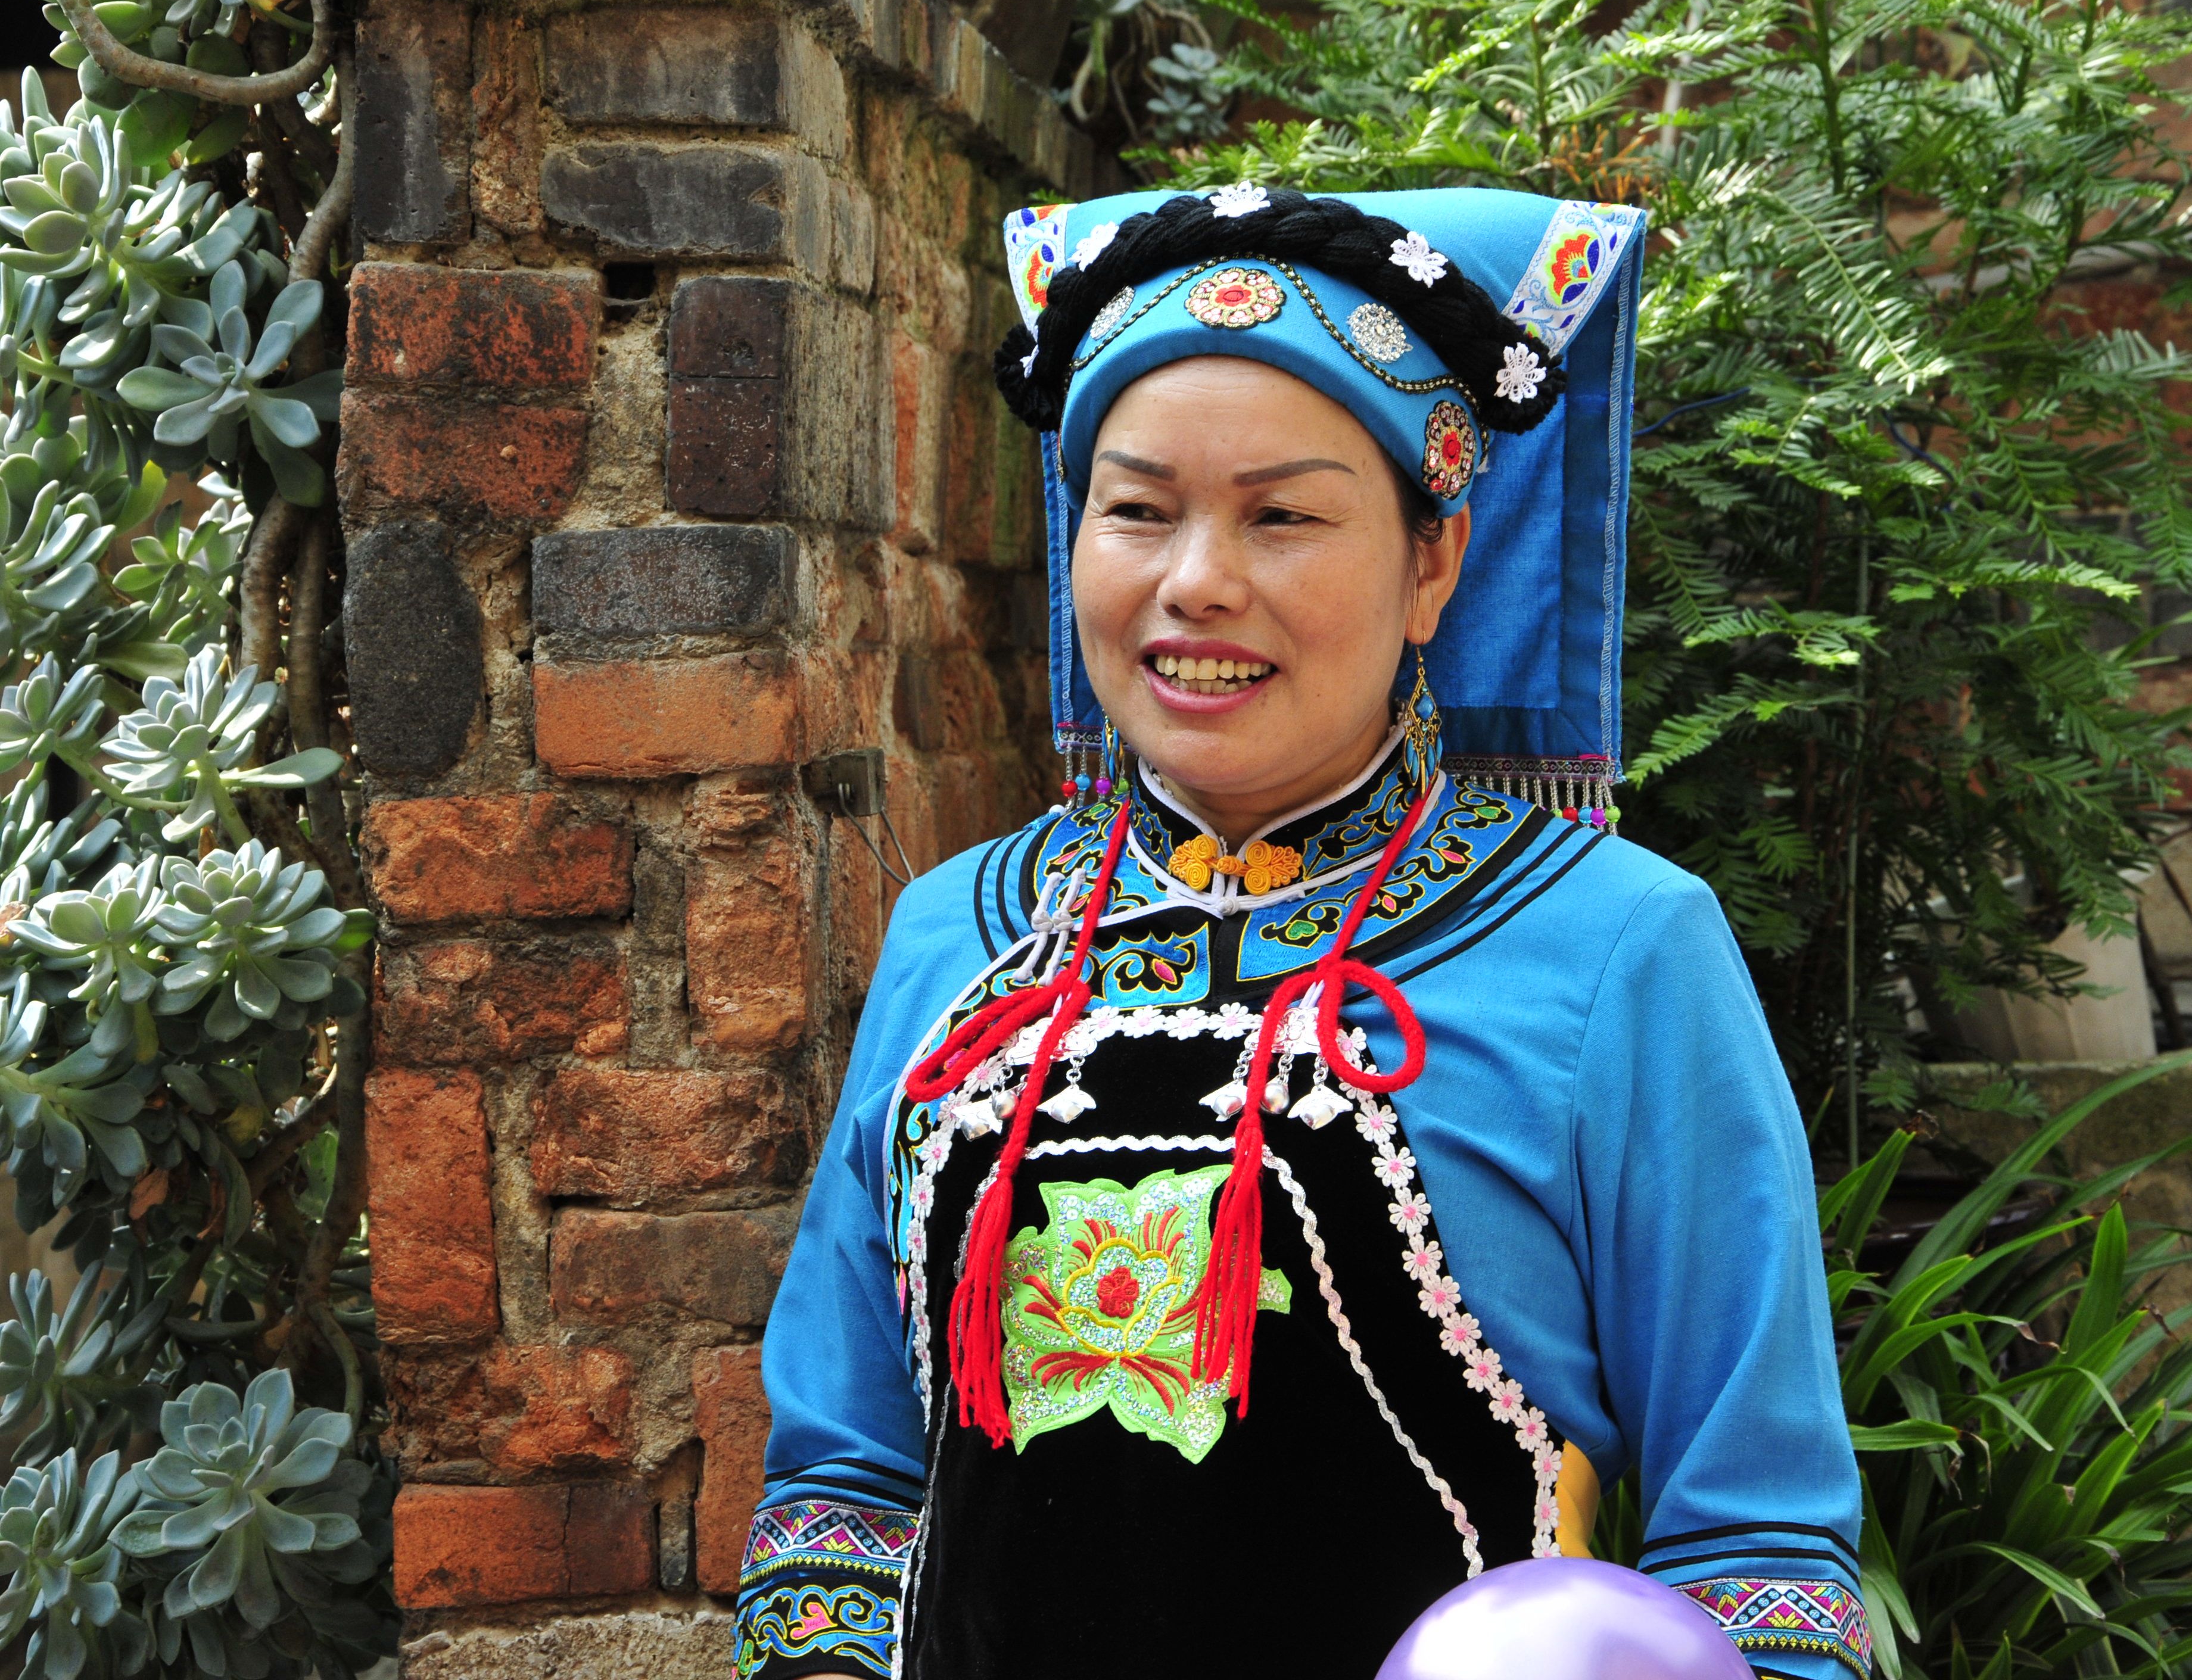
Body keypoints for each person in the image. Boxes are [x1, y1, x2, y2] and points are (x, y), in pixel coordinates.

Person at [730, 184, 1868, 1680]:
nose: (1195, 580)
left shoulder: (1618, 948)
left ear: (1431, 563)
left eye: (1281, 515)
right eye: (1137, 509)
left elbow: (1760, 1554)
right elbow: (844, 1482)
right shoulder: (958, 934)